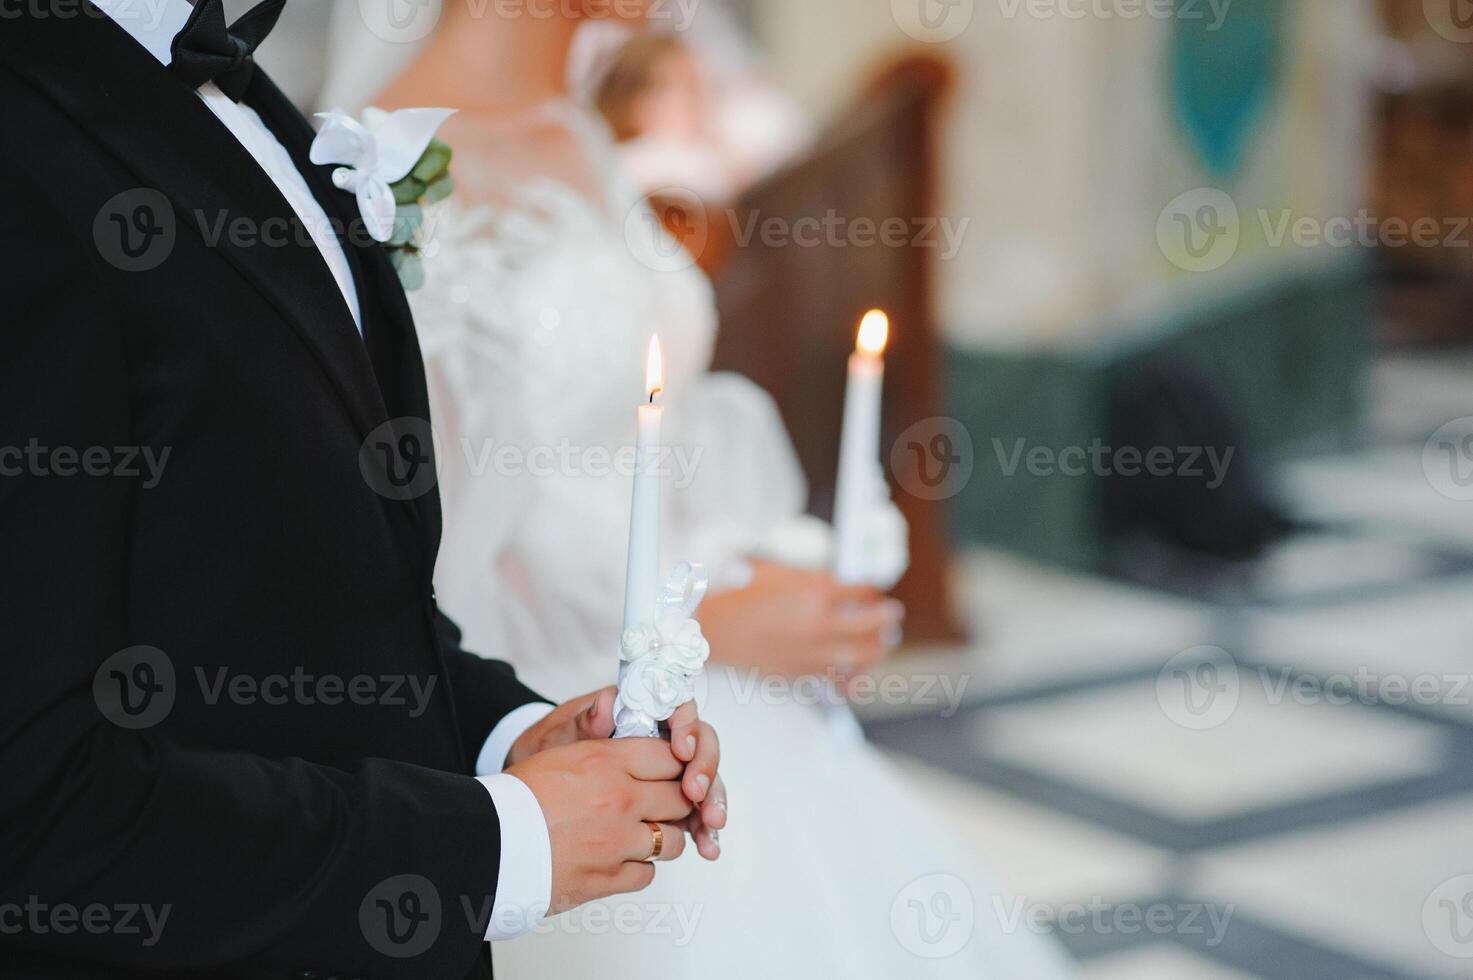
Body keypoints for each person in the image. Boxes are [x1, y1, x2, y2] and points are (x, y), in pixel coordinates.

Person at [322, 2, 1075, 976]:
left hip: (689, 691)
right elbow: (435, 557)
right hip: (567, 717)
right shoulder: (390, 164)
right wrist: (711, 619)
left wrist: (759, 569)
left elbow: (630, 446)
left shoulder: (574, 123)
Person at [0, 2, 725, 978]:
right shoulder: (26, 143)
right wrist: (500, 838)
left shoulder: (251, 106)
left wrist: (511, 732)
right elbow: (39, 798)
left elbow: (314, 574)